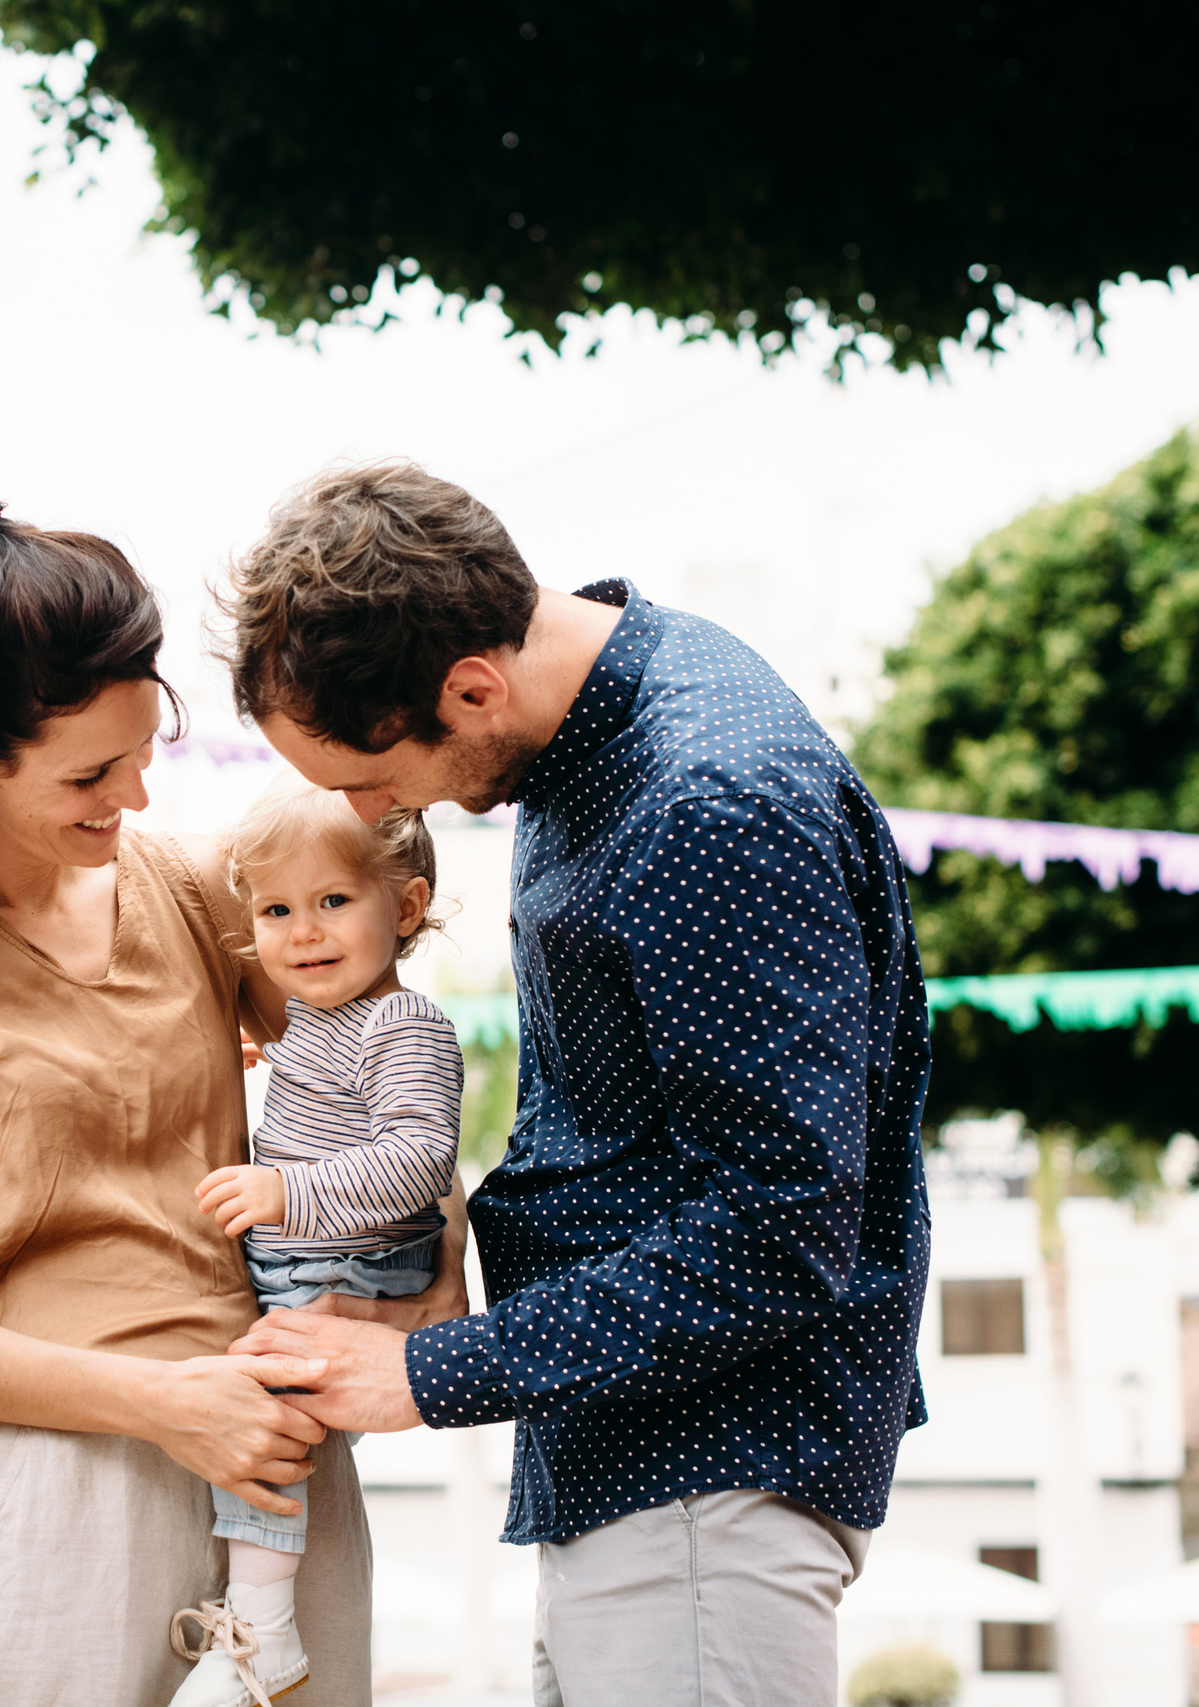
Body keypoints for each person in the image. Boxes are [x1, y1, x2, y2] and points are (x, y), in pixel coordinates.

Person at [222, 462, 933, 1707]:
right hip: (643, 1465)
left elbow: (780, 1226)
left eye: (369, 776)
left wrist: (431, 1375)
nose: (362, 809)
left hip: (711, 1476)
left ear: (471, 686)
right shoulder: (587, 731)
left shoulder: (702, 799)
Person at [0, 470, 431, 1707]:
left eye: (141, 757)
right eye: (89, 777)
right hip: (47, 1492)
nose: (131, 800)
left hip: (276, 1476)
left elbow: (397, 1073)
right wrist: (163, 1402)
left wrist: (414, 1318)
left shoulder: (191, 890)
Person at [168, 784, 465, 1707]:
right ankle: (256, 1614)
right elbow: (333, 1095)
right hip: (319, 1249)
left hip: (355, 1257)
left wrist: (284, 1188)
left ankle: (264, 1628)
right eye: (277, 910)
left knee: (266, 1400)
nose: (305, 931)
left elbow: (418, 1160)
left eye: (334, 900)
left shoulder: (404, 1023)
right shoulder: (316, 1021)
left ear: (405, 906)